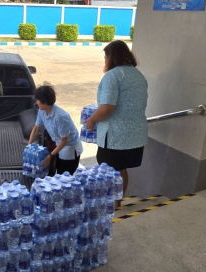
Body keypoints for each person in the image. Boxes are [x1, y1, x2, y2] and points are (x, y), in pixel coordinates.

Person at [86, 40, 148, 205]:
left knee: (109, 171)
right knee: (121, 169)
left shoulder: (112, 76)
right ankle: (117, 203)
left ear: (110, 57)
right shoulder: (137, 75)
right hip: (134, 134)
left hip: (115, 136)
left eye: (106, 57)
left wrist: (91, 120)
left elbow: (106, 108)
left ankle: (110, 205)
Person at [28, 84, 83, 175]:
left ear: (45, 102)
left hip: (69, 148)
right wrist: (29, 146)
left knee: (64, 175)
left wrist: (50, 156)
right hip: (58, 143)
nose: (36, 102)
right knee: (55, 172)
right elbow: (36, 128)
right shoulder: (42, 111)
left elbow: (65, 140)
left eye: (37, 100)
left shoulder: (60, 117)